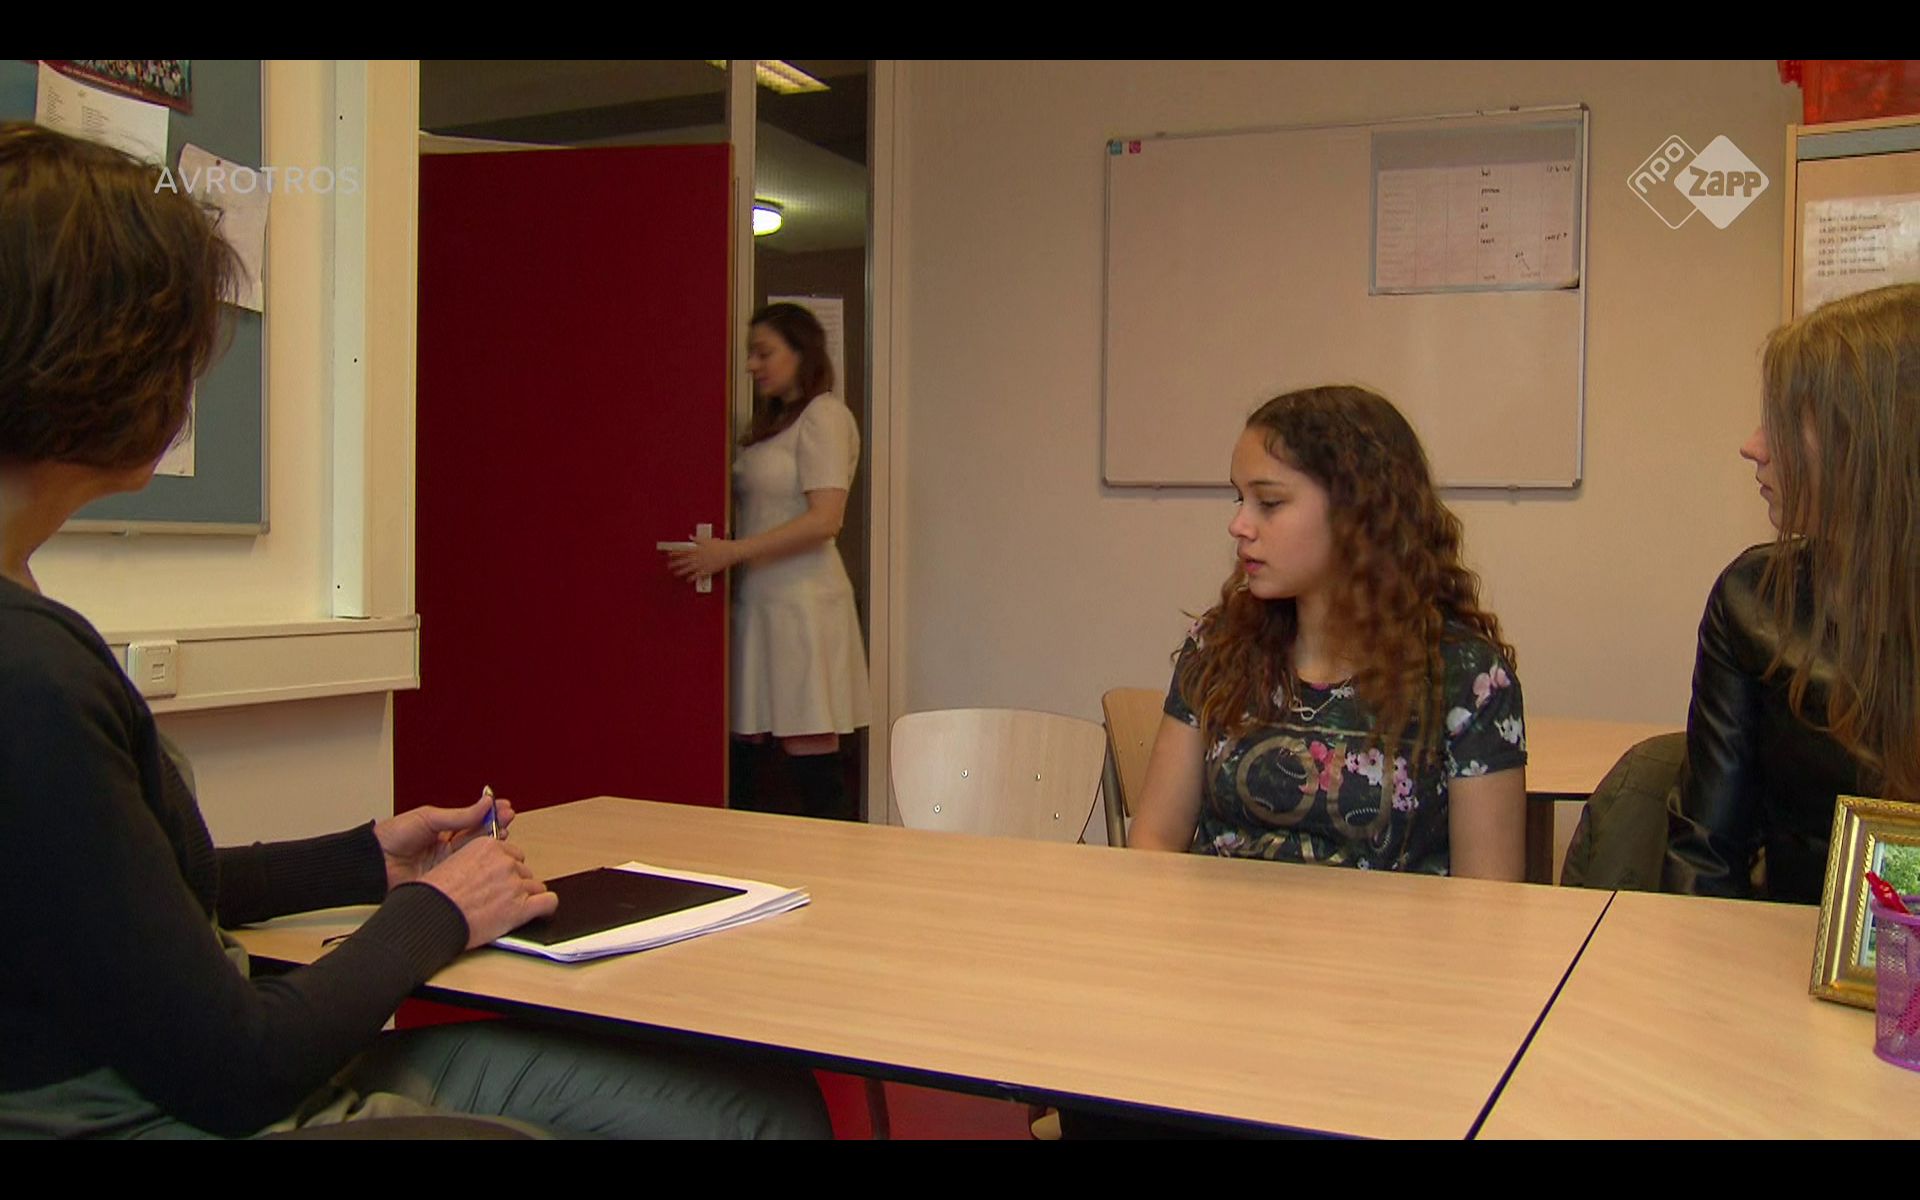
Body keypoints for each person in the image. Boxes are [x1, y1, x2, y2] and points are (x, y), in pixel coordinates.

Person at [0, 120, 829, 1139]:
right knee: (752, 1122)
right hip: (208, 1110)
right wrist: (439, 912)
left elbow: (120, 910)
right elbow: (236, 1069)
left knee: (753, 1106)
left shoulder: (27, 638)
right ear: (93, 358)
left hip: (190, 1077)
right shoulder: (29, 677)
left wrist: (364, 864)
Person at [1126, 385, 1528, 879]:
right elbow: (1154, 841)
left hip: (1388, 932)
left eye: (1269, 502)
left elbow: (1488, 895)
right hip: (1217, 926)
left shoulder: (1468, 678)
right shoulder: (1218, 646)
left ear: (1356, 513)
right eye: (1239, 498)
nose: (1239, 524)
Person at [1665, 283, 1920, 902]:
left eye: (1782, 424)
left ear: (1869, 442)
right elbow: (1705, 852)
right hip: (1789, 945)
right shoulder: (1753, 598)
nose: (1753, 446)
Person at [669, 303, 870, 821]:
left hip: (804, 607)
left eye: (764, 353)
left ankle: (837, 866)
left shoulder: (824, 416)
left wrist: (730, 553)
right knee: (751, 767)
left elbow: (825, 519)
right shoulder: (772, 425)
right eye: (750, 354)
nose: (752, 365)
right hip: (761, 604)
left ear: (801, 354)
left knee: (812, 769)